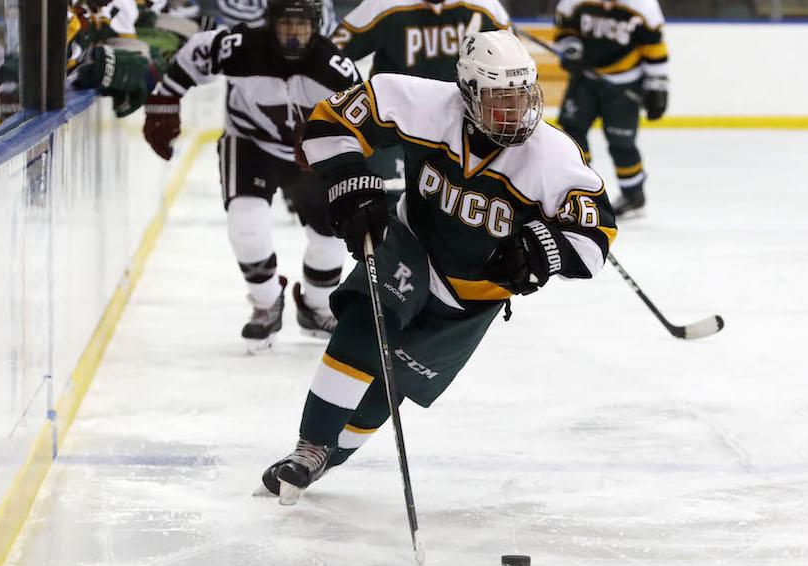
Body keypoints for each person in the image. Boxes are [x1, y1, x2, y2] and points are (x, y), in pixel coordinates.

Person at [261, 30, 617, 501]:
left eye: (521, 97)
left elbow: (595, 238)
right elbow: (330, 122)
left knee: (394, 383)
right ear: (467, 93)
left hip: (474, 297)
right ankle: (308, 447)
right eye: (498, 101)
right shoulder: (421, 102)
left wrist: (543, 252)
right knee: (371, 319)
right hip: (412, 246)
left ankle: (328, 457)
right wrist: (350, 179)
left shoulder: (552, 157)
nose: (514, 114)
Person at [142, 0, 362, 352]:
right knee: (247, 224)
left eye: (302, 26)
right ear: (270, 23)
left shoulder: (335, 69)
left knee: (331, 235)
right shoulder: (242, 47)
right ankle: (266, 303)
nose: (293, 35)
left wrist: (344, 163)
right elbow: (197, 52)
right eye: (286, 25)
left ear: (317, 26)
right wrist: (165, 99)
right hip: (249, 142)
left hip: (312, 152)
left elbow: (361, 124)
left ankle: (317, 306)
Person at [329, 0, 511, 203]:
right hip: (394, 127)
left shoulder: (486, 7)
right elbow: (330, 57)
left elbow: (513, 70)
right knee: (389, 205)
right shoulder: (383, 5)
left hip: (461, 130)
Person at [553, 0, 669, 219]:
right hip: (585, 79)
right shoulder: (575, 2)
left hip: (624, 84)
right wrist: (571, 49)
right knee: (571, 134)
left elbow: (654, 47)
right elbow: (565, 27)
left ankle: (634, 195)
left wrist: (657, 87)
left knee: (621, 143)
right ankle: (576, 189)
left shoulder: (643, 6)